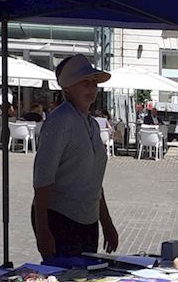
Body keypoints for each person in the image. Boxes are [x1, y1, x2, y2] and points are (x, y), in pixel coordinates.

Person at [32, 55, 120, 258]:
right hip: (60, 217)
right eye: (84, 82)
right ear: (68, 87)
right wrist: (43, 229)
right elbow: (42, 178)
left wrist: (106, 223)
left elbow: (93, 181)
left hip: (88, 219)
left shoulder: (92, 124)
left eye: (94, 83)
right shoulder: (60, 121)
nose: (92, 88)